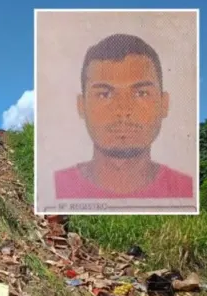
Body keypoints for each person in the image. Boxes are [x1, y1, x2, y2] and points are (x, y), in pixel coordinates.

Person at [53, 34, 193, 199]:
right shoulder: (53, 188)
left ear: (164, 104)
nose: (123, 110)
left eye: (141, 93)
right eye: (104, 94)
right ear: (81, 106)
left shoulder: (186, 189)